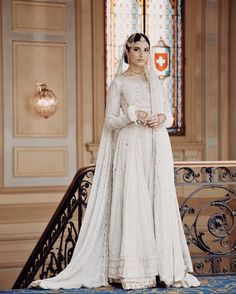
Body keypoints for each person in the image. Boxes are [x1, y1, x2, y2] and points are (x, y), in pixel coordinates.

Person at [30, 33, 200, 290]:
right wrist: (132, 114)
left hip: (155, 148)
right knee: (134, 201)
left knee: (156, 199)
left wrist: (161, 118)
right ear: (127, 52)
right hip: (131, 148)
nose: (142, 54)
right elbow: (109, 121)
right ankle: (134, 270)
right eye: (136, 49)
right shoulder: (119, 83)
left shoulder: (156, 81)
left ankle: (160, 267)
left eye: (145, 49)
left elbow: (167, 112)